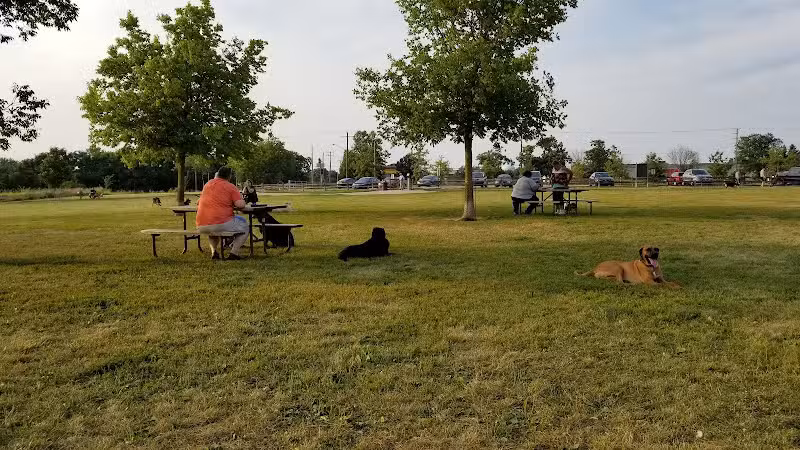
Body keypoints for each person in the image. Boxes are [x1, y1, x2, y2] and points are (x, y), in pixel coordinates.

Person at [196, 167, 248, 260]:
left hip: (201, 224)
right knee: (244, 224)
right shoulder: (230, 186)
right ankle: (234, 253)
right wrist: (243, 200)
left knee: (212, 231)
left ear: (218, 174)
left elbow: (198, 201)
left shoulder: (207, 184)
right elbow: (240, 205)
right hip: (221, 223)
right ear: (229, 176)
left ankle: (214, 252)